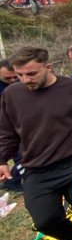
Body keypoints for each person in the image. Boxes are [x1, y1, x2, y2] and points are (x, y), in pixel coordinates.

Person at [0, 46, 72, 240]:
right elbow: (8, 131)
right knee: (45, 220)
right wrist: (2, 159)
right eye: (20, 75)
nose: (25, 80)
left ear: (48, 67)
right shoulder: (12, 94)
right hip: (36, 168)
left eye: (31, 73)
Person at [0, 59, 22, 193]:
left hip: (25, 124)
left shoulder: (24, 80)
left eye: (16, 76)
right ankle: (12, 181)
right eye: (8, 78)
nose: (13, 80)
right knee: (21, 156)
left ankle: (13, 180)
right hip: (7, 128)